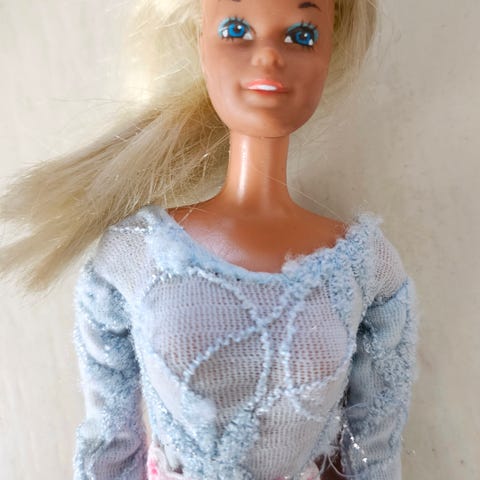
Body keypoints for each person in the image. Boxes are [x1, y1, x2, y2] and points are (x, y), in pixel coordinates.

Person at [0, 1, 418, 479]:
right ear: (201, 44)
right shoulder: (134, 255)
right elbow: (109, 443)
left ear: (329, 53)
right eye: (237, 29)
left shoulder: (365, 267)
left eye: (302, 36)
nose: (269, 56)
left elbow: (374, 446)